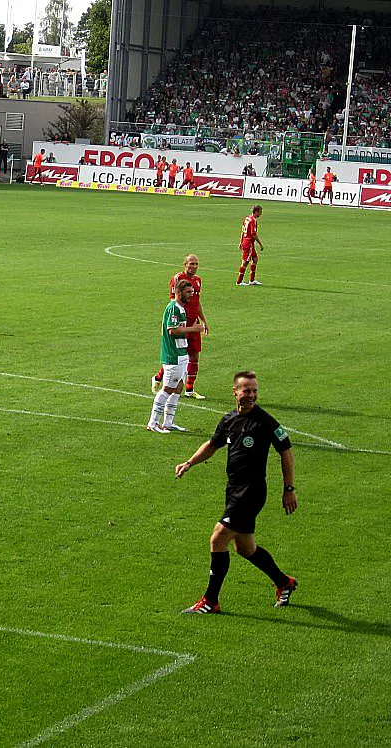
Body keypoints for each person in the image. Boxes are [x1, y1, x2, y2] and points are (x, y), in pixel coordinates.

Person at [175, 370, 298, 614]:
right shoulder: (229, 420)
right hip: (233, 489)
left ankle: (211, 600)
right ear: (235, 392)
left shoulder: (265, 421)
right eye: (246, 391)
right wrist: (190, 462)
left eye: (254, 391)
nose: (251, 395)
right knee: (245, 548)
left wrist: (289, 489)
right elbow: (213, 445)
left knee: (218, 538)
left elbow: (286, 451)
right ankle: (284, 582)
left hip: (251, 492)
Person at [147, 279, 204, 434]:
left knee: (178, 388)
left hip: (181, 353)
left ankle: (168, 422)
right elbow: (173, 330)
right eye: (188, 292)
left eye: (192, 292)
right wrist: (194, 329)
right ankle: (153, 423)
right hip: (173, 356)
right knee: (167, 389)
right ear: (178, 292)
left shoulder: (181, 308)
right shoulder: (174, 308)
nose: (191, 295)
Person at [152, 255, 210, 400]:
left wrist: (203, 320)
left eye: (196, 264)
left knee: (194, 355)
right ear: (185, 264)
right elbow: (174, 302)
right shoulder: (178, 279)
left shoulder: (198, 280)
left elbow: (197, 302)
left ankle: (189, 389)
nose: (194, 266)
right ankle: (159, 377)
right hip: (181, 323)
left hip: (194, 323)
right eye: (191, 263)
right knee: (178, 357)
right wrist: (173, 322)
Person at [236, 204, 264, 286]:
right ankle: (239, 281)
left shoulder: (247, 218)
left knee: (255, 259)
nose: (261, 214)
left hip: (246, 241)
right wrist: (261, 244)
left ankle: (252, 280)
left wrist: (241, 242)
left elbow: (242, 231)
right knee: (245, 262)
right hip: (249, 243)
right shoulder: (253, 220)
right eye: (260, 212)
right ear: (256, 211)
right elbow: (253, 234)